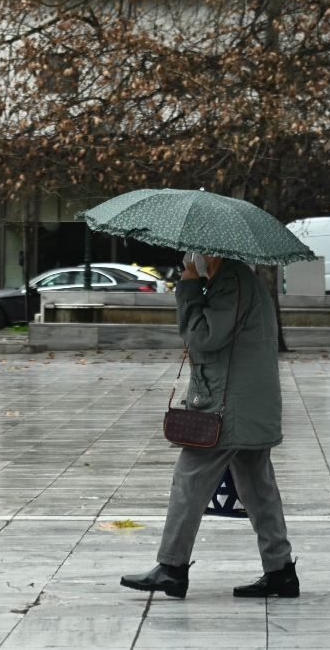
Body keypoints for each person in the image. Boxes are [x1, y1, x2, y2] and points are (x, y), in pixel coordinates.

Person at [120, 252, 297, 600]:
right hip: (246, 402)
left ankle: (171, 567)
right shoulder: (233, 280)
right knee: (258, 488)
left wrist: (187, 286)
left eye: (195, 251)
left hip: (230, 406)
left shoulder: (230, 281)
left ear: (212, 251)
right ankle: (280, 571)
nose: (191, 257)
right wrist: (199, 286)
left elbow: (203, 338)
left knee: (190, 477)